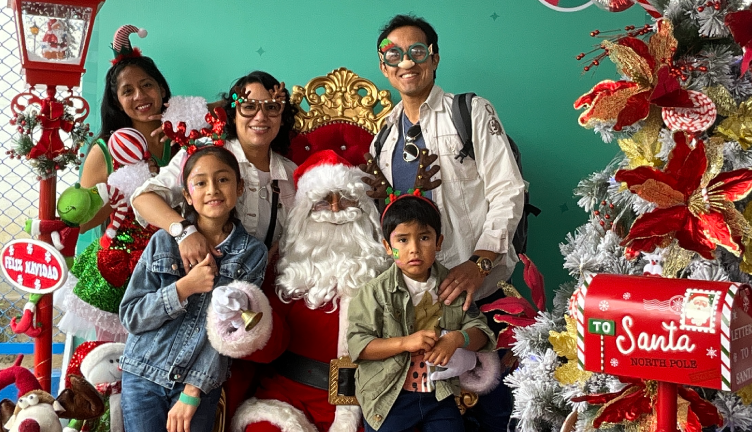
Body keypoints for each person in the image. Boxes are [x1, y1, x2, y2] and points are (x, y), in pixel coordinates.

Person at [368, 14, 525, 431]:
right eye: (393, 55)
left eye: (417, 51)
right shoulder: (383, 139)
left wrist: (480, 262)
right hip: (419, 309)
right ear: (383, 66)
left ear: (434, 58)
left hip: (480, 295)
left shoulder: (469, 112)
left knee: (496, 412)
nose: (407, 62)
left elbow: (509, 191)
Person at [207, 150, 389, 432]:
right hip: (292, 398)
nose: (336, 210)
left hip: (372, 401)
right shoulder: (287, 270)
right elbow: (270, 346)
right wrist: (247, 319)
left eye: (346, 198)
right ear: (304, 213)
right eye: (323, 200)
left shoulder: (389, 271)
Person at [119, 145, 267, 432]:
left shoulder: (251, 253)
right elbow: (132, 316)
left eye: (222, 179)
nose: (212, 190)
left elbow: (232, 334)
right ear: (187, 195)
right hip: (143, 375)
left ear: (239, 188)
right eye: (200, 183)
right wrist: (184, 288)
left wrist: (192, 390)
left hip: (197, 384)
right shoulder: (163, 242)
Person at [58, 24, 179, 342]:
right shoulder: (104, 151)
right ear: (117, 101)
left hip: (175, 265)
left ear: (161, 88)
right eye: (128, 91)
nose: (140, 96)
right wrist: (118, 193)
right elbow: (84, 223)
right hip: (120, 269)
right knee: (113, 361)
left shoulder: (183, 139)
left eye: (147, 85)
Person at [347, 195, 496, 432]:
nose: (414, 249)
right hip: (389, 395)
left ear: (439, 242)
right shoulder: (374, 292)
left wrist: (457, 339)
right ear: (388, 247)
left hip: (439, 393)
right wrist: (404, 343)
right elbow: (359, 345)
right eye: (403, 240)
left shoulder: (453, 286)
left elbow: (482, 334)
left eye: (424, 238)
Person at [132, 71, 298, 256]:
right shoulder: (202, 153)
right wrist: (185, 233)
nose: (260, 116)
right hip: (198, 269)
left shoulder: (293, 174)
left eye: (272, 107)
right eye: (249, 107)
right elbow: (143, 199)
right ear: (233, 115)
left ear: (282, 119)